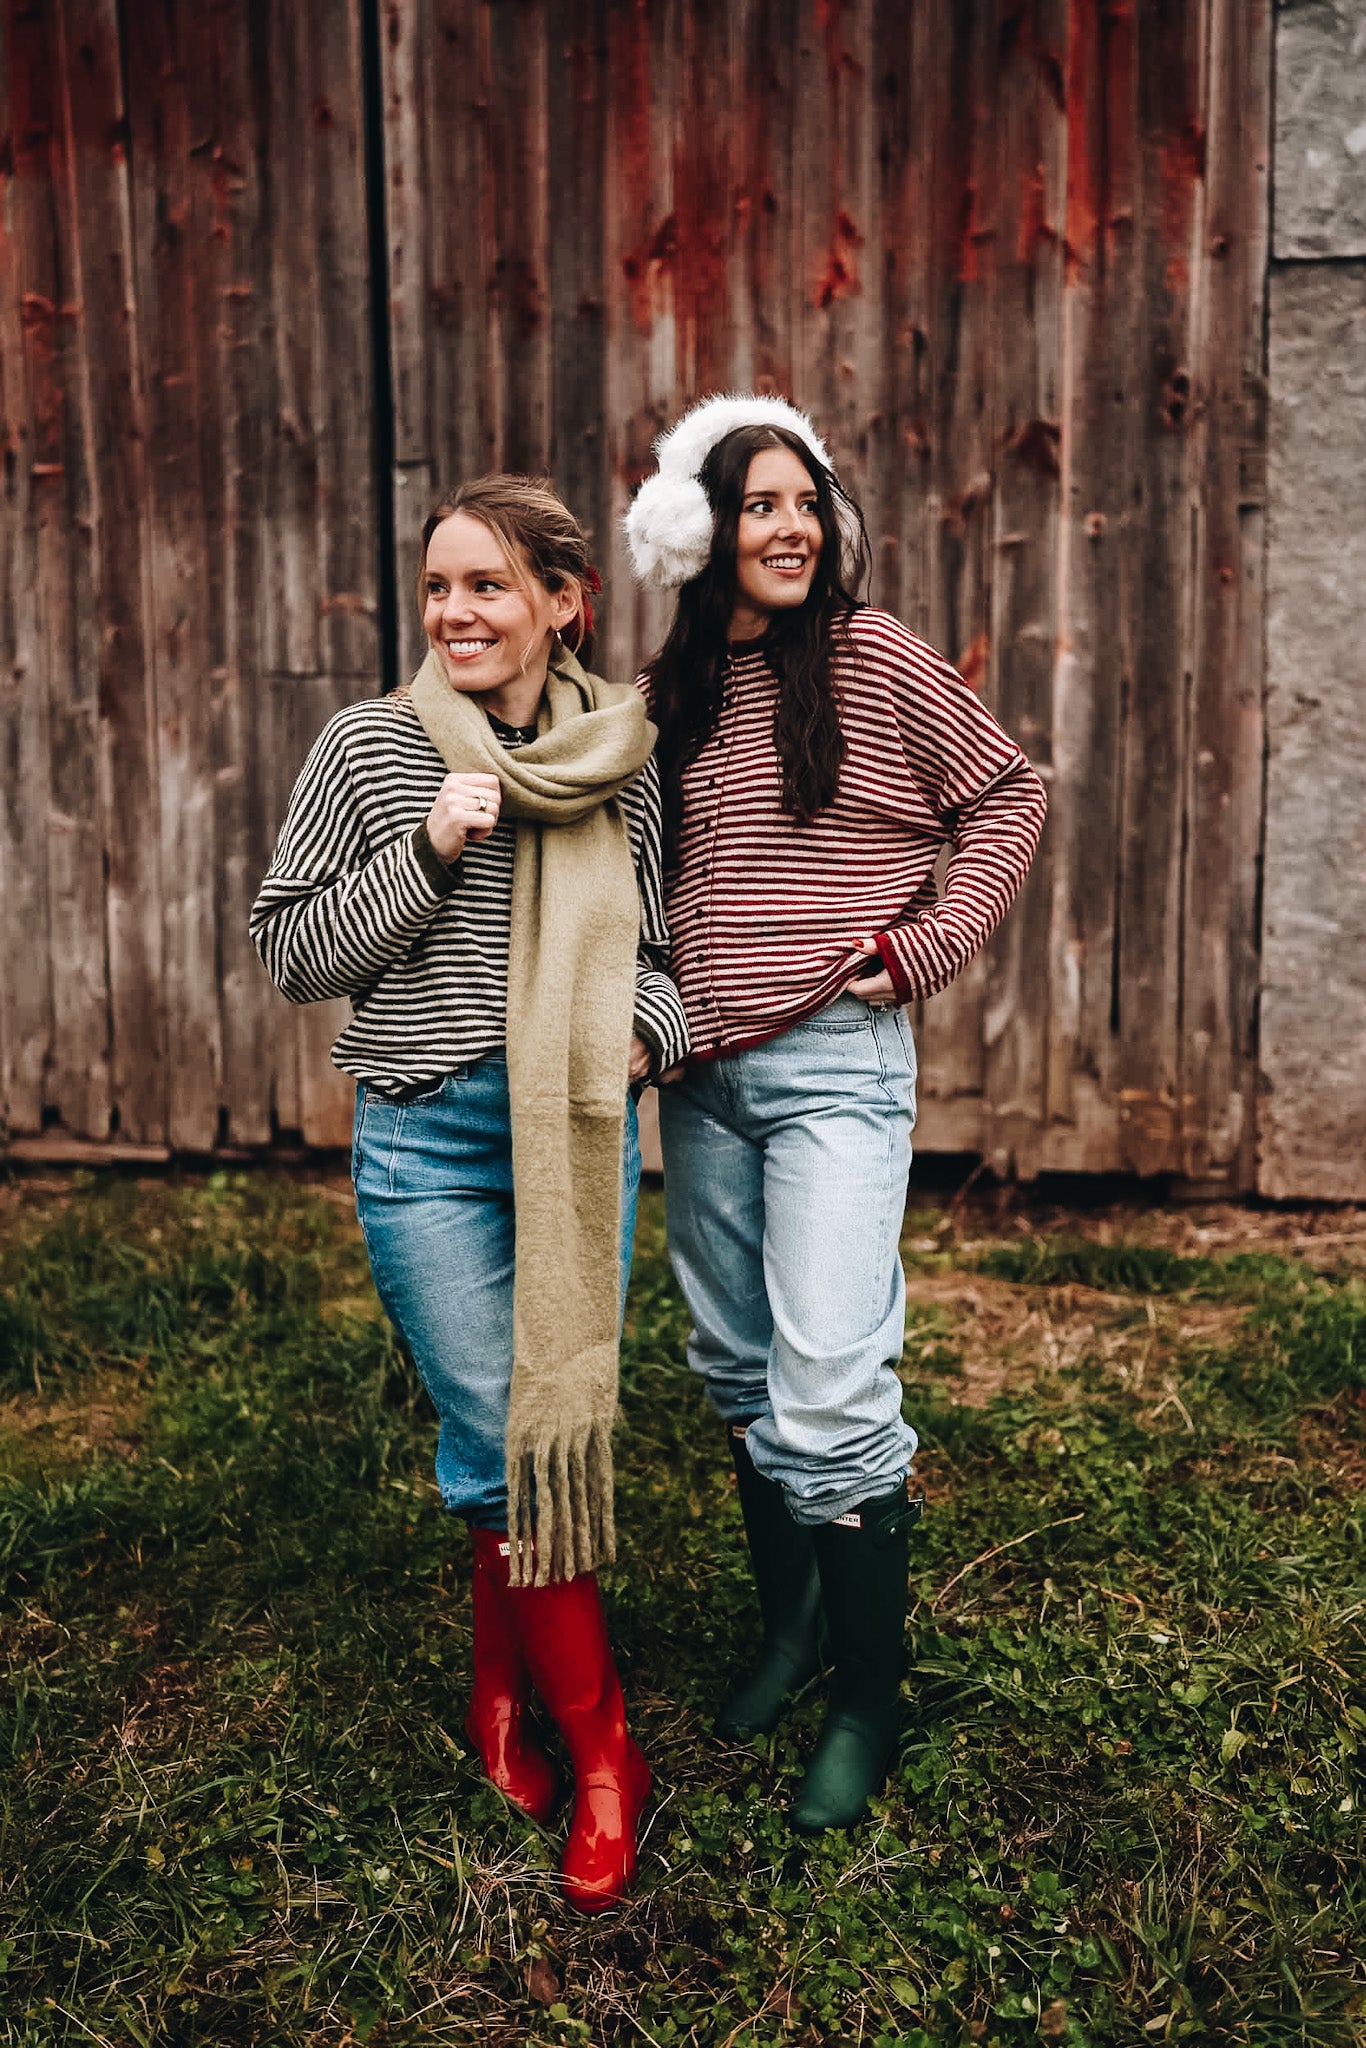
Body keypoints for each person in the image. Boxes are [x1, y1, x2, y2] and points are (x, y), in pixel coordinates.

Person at [251, 476, 688, 1911]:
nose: (454, 612)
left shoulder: (618, 751)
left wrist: (646, 1031)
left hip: (570, 1131)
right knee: (507, 1432)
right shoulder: (370, 747)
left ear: (564, 602)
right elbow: (293, 953)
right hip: (427, 1140)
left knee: (520, 1428)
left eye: (488, 585)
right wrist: (430, 849)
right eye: (439, 586)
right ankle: (607, 1751)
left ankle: (499, 1698)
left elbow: (658, 949)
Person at [625, 395, 1047, 1831]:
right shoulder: (668, 695)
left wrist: (926, 944)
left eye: (807, 503)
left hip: (833, 1071)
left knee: (828, 1381)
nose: (792, 527)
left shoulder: (871, 656)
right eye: (760, 504)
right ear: (701, 532)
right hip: (702, 1079)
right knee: (738, 1367)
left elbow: (1007, 793)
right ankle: (793, 1629)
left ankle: (870, 1696)